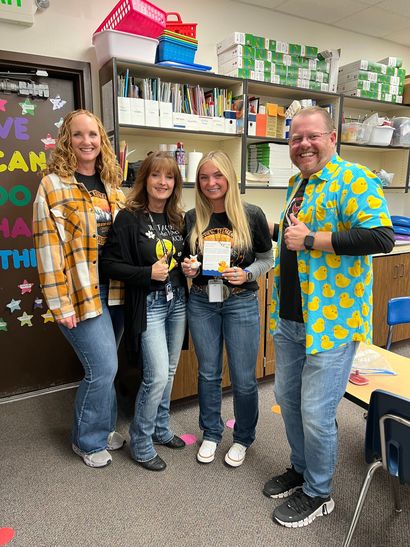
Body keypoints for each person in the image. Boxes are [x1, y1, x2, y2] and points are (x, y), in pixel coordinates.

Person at [264, 106, 395, 527]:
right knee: (289, 402)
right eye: (296, 138)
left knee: (317, 414)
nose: (303, 144)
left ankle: (319, 493)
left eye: (312, 136)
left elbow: (381, 236)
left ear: (332, 137)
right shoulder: (296, 184)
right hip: (289, 318)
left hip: (330, 322)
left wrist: (313, 240)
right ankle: (301, 471)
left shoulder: (354, 179)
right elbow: (291, 239)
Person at [33, 109, 126, 468]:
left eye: (93, 135)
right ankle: (86, 440)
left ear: (102, 141)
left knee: (112, 365)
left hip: (115, 290)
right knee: (101, 367)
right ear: (66, 141)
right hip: (80, 294)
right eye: (78, 135)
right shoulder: (53, 186)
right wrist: (60, 305)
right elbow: (47, 250)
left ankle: (104, 429)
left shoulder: (114, 188)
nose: (87, 142)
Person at [182, 150, 274, 468]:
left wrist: (247, 273)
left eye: (217, 175)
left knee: (244, 378)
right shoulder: (193, 219)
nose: (211, 183)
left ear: (230, 179)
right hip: (202, 302)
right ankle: (211, 432)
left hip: (241, 303)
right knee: (208, 373)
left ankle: (243, 437)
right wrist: (189, 269)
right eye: (204, 177)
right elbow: (188, 262)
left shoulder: (252, 215)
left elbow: (267, 258)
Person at [100, 151, 187, 472]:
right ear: (145, 179)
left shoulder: (178, 218)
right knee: (157, 375)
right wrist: (146, 274)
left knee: (171, 371)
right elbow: (109, 264)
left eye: (169, 177)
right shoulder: (129, 217)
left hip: (178, 301)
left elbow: (182, 258)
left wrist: (190, 268)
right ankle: (141, 439)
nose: (162, 182)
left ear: (175, 184)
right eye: (156, 175)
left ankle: (161, 429)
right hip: (148, 304)